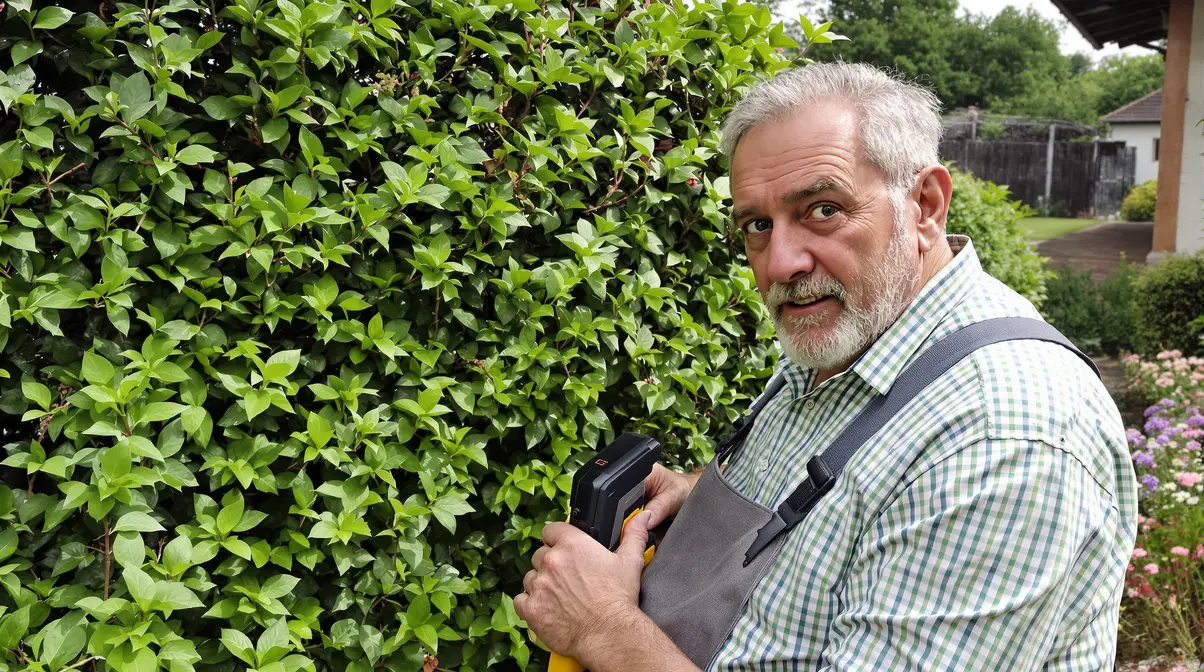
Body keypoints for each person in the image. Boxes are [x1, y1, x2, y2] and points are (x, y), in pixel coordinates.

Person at [513, 63, 1138, 671]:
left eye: (823, 209)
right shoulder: (855, 333)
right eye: (757, 225)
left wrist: (601, 628)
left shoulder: (1003, 437)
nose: (780, 262)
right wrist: (699, 498)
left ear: (924, 206)